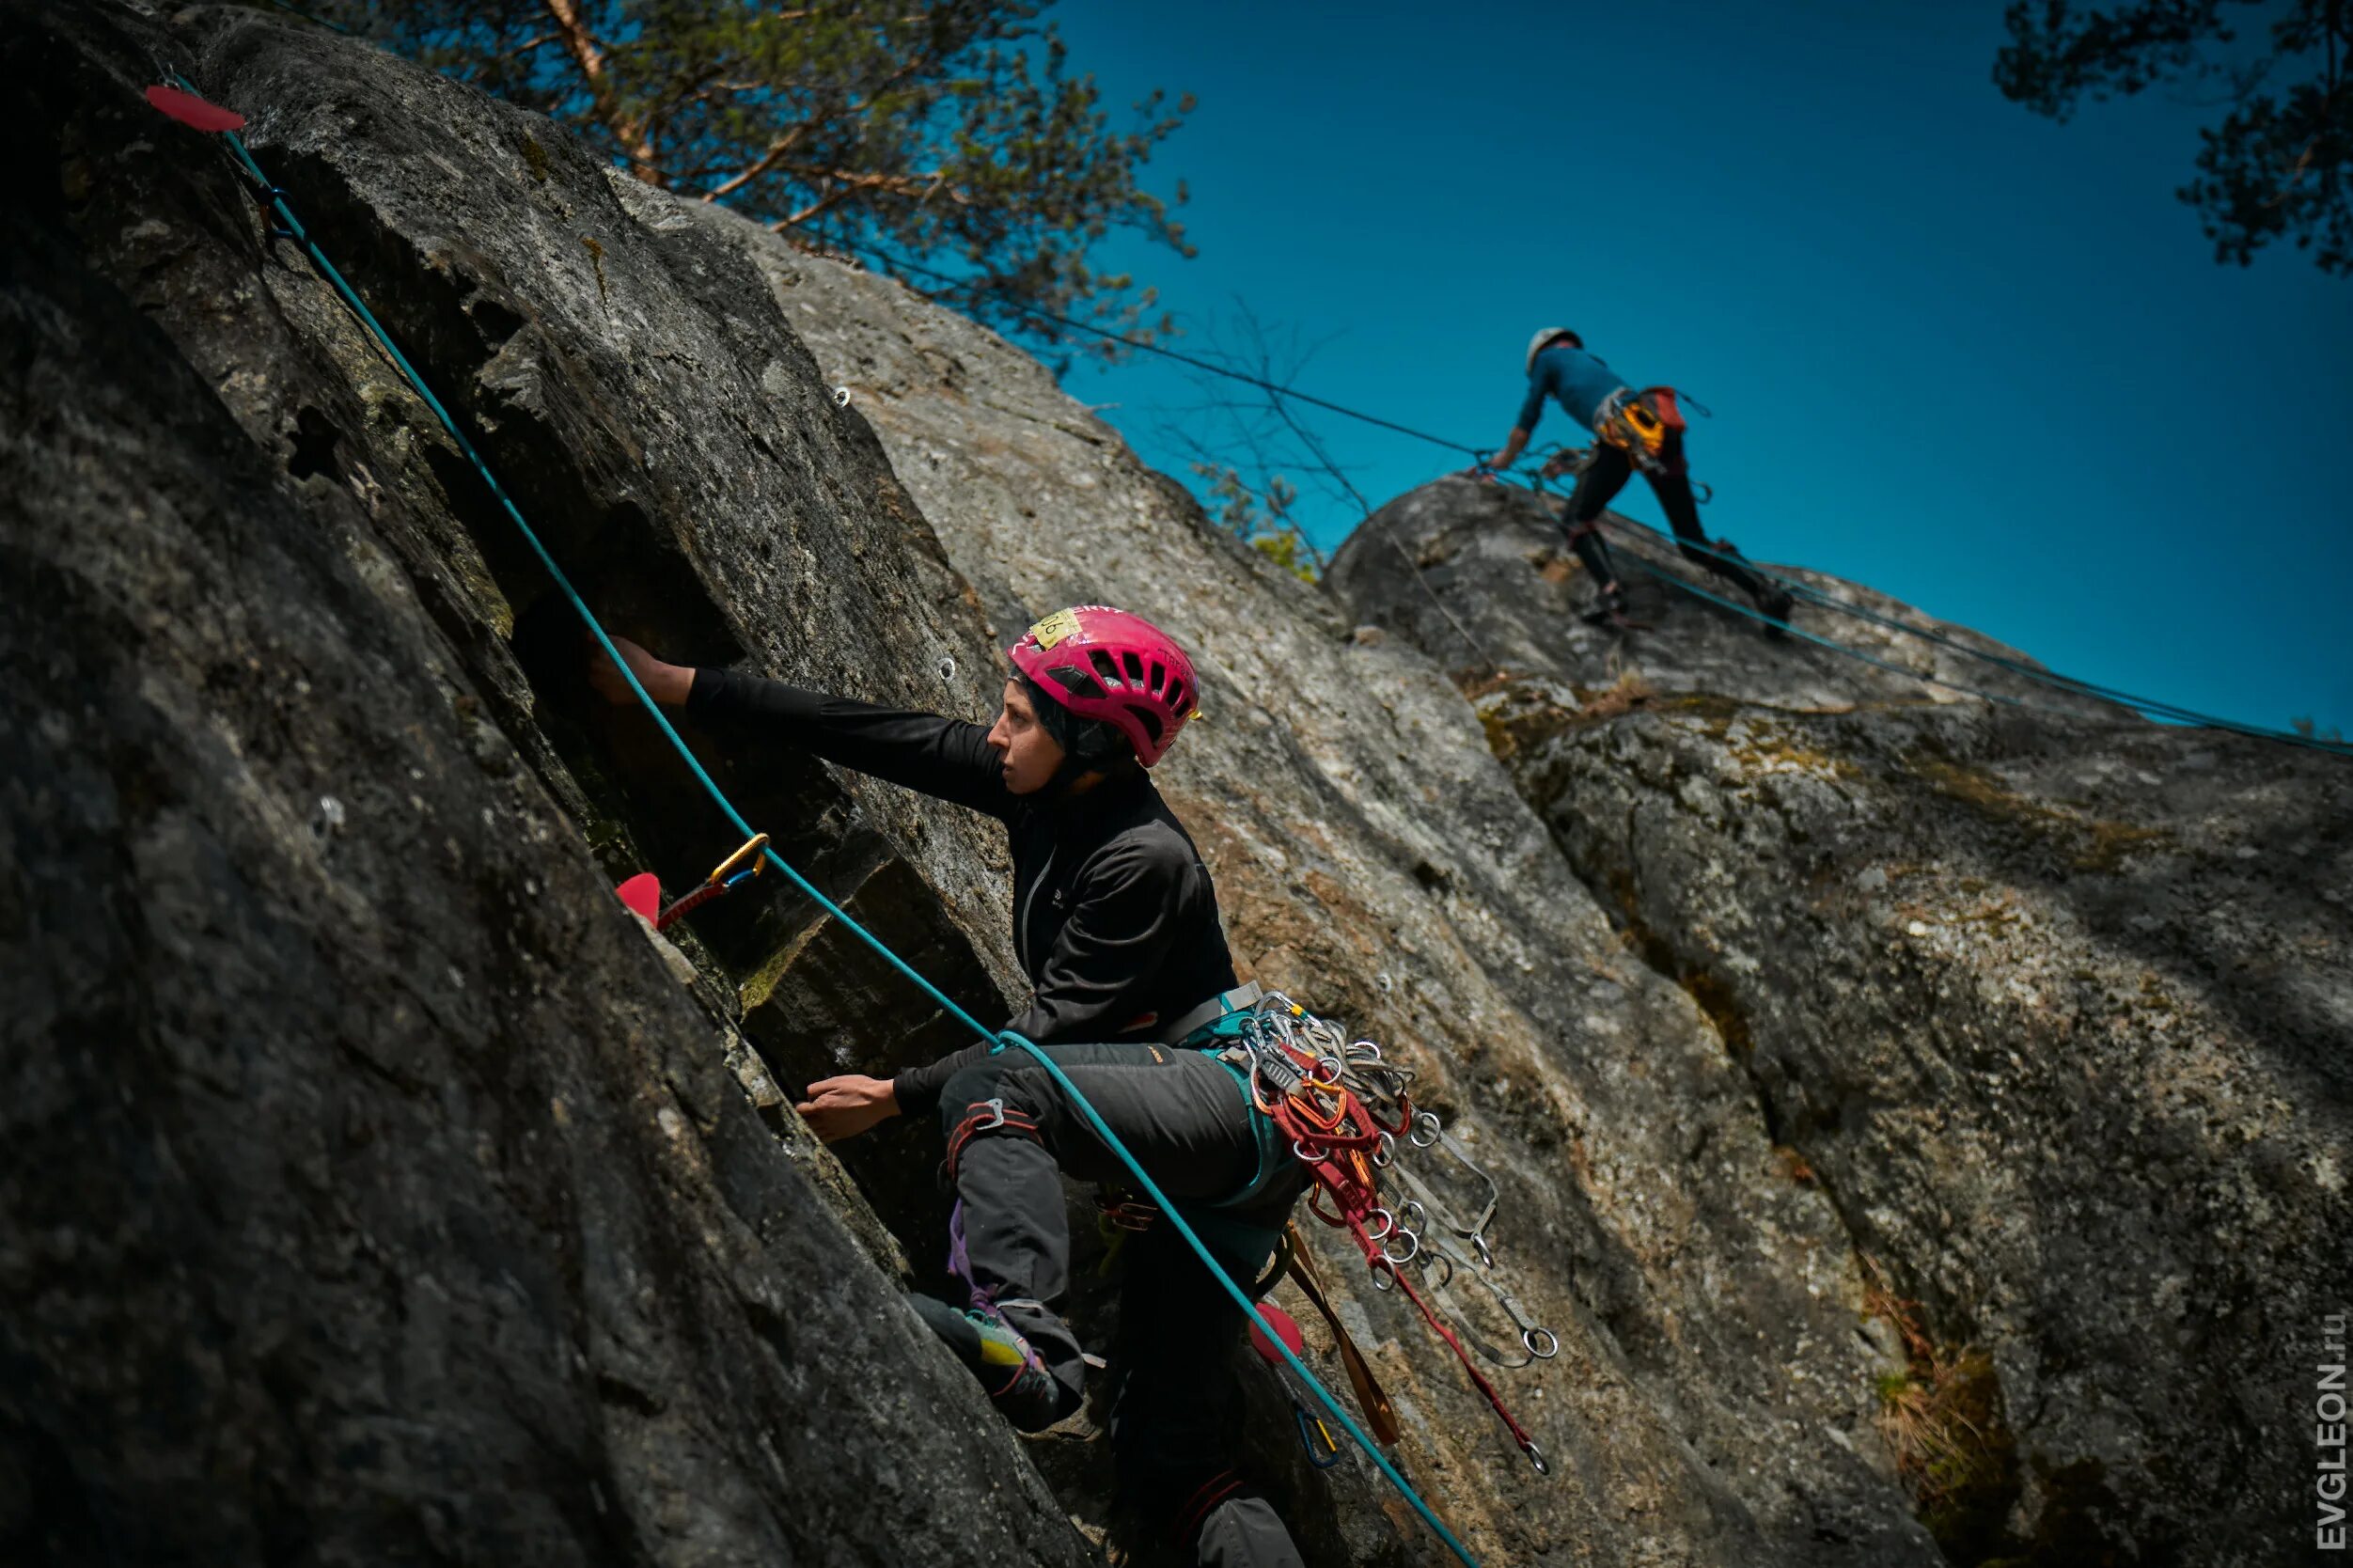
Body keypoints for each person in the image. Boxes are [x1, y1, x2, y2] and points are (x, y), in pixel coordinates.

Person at [589, 606, 1308, 1568]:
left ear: (1089, 740)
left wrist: (895, 1092)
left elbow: (1051, 1039)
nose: (996, 733)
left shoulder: (1144, 860)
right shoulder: (1044, 784)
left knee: (1005, 1088)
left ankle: (1026, 1344)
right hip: (1199, 1159)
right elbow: (873, 730)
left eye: (1018, 718)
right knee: (1170, 1460)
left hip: (1227, 1107)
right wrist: (681, 683)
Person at [1485, 326, 1794, 630]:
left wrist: (1505, 458)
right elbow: (1608, 453)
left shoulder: (1547, 360)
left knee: (1575, 519)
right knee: (1691, 541)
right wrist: (1571, 465)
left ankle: (1610, 593)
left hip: (1624, 434)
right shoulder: (1592, 365)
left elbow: (1529, 418)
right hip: (1654, 430)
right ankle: (1765, 591)